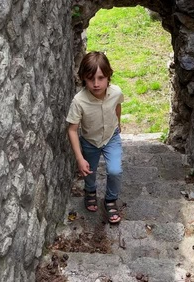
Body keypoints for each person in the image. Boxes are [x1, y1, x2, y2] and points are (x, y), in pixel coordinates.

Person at [66, 51, 124, 224]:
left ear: (108, 77)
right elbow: (72, 129)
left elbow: (117, 106)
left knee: (115, 170)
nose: (96, 83)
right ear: (84, 78)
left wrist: (118, 123)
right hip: (90, 141)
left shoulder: (115, 92)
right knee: (88, 171)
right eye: (91, 79)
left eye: (101, 78)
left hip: (111, 137)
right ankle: (90, 191)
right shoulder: (79, 101)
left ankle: (110, 199)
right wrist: (79, 158)